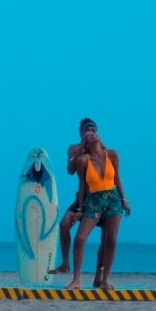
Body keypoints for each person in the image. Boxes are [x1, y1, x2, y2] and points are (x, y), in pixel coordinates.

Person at [65, 127, 130, 290]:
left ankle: (105, 280)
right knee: (80, 239)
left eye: (94, 133)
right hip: (94, 201)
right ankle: (76, 280)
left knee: (111, 240)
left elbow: (117, 178)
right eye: (89, 136)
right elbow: (82, 185)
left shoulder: (112, 155)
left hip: (113, 200)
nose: (92, 135)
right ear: (86, 143)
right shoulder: (84, 160)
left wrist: (124, 199)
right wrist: (80, 209)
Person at [50, 118, 96, 278]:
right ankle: (65, 264)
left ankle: (98, 273)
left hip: (96, 197)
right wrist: (82, 146)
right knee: (64, 225)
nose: (90, 133)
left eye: (93, 130)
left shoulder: (98, 149)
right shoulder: (74, 149)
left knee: (83, 237)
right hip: (81, 196)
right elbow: (70, 170)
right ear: (81, 132)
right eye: (87, 130)